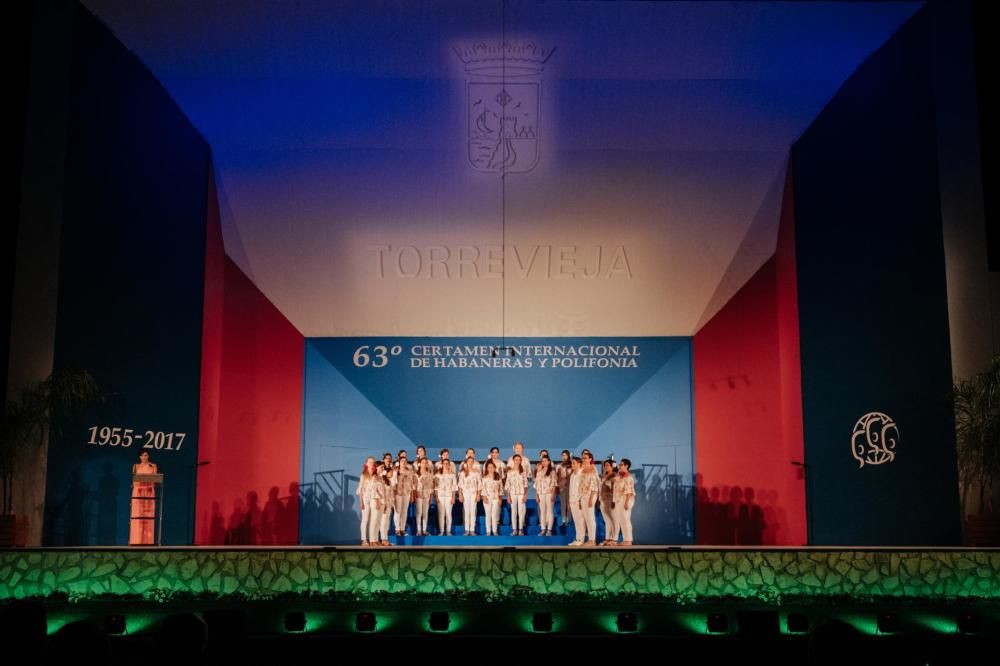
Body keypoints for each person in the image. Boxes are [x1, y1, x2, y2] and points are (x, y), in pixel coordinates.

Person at [129, 451, 158, 545]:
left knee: (148, 515)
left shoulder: (153, 466)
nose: (144, 457)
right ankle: (136, 540)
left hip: (148, 491)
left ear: (148, 456)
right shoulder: (136, 466)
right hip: (138, 491)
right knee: (137, 514)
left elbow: (155, 479)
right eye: (142, 455)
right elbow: (134, 479)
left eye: (146, 455)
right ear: (139, 457)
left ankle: (148, 541)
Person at [610, 458, 636, 546]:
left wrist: (626, 503)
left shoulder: (629, 477)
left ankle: (629, 540)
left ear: (626, 466)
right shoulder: (619, 476)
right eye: (619, 464)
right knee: (621, 520)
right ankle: (625, 539)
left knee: (626, 519)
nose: (619, 466)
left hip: (625, 500)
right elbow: (613, 483)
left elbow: (629, 491)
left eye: (621, 465)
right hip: (618, 501)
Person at [578, 451, 600, 546]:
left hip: (590, 495)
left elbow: (595, 484)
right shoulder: (582, 469)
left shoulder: (592, 468)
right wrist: (579, 498)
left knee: (590, 518)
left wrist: (591, 499)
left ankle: (592, 540)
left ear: (590, 459)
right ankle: (590, 539)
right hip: (582, 495)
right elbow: (579, 485)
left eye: (586, 457)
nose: (584, 459)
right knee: (586, 518)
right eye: (583, 458)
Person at [356, 457, 379, 546]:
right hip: (365, 499)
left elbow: (377, 490)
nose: (371, 464)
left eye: (373, 462)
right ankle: (364, 540)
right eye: (370, 462)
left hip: (374, 498)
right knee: (365, 519)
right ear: (366, 464)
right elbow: (361, 489)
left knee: (373, 519)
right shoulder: (363, 475)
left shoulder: (376, 475)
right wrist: (361, 502)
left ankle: (372, 540)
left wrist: (377, 501)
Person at [505, 454, 529, 536]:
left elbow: (526, 484)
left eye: (519, 460)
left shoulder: (523, 471)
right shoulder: (509, 472)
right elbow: (507, 484)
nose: (517, 461)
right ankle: (514, 530)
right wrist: (508, 496)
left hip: (521, 493)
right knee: (514, 512)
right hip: (512, 493)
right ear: (513, 460)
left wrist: (525, 495)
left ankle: (521, 529)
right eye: (516, 460)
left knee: (521, 512)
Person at [393, 452, 415, 536]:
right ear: (399, 462)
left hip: (406, 493)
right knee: (397, 511)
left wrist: (412, 494)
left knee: (404, 511)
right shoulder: (395, 471)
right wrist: (393, 494)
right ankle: (397, 529)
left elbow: (412, 483)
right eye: (402, 461)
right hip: (397, 493)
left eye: (405, 461)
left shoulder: (409, 471)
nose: (404, 462)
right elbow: (393, 483)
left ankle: (402, 529)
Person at [533, 455, 556, 536]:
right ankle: (543, 529)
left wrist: (553, 494)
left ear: (549, 462)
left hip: (549, 493)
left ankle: (549, 529)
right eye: (542, 461)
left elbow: (554, 484)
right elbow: (536, 484)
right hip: (541, 493)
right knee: (542, 511)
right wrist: (536, 495)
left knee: (549, 511)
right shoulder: (539, 472)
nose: (544, 462)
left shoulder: (552, 472)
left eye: (546, 461)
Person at [458, 457, 481, 535]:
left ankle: (472, 530)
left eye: (472, 461)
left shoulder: (477, 472)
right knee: (466, 511)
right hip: (465, 493)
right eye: (469, 461)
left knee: (472, 511)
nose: (470, 463)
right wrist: (460, 495)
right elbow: (460, 485)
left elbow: (479, 484)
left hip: (474, 493)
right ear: (466, 462)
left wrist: (478, 495)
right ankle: (467, 530)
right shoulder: (462, 472)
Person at [480, 460, 503, 536]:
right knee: (488, 515)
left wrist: (500, 498)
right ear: (486, 468)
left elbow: (501, 488)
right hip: (487, 498)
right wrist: (484, 497)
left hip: (496, 498)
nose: (490, 468)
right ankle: (488, 531)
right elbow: (482, 488)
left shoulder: (498, 477)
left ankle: (495, 531)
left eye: (492, 467)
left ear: (494, 468)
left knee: (494, 515)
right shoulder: (484, 478)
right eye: (489, 467)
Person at [435, 459, 457, 536]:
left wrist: (453, 497)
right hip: (440, 496)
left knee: (448, 514)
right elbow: (436, 487)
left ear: (449, 465)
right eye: (444, 463)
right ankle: (441, 531)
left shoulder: (452, 475)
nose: (446, 465)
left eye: (447, 463)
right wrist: (437, 497)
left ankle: (448, 531)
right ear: (442, 464)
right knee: (441, 514)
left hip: (449, 496)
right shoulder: (437, 475)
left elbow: (454, 487)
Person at [415, 458, 435, 536]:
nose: (424, 464)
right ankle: (419, 530)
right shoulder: (416, 474)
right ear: (420, 464)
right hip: (419, 495)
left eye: (425, 463)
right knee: (419, 513)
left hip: (426, 495)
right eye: (422, 462)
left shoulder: (429, 474)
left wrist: (430, 497)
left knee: (425, 513)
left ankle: (424, 530)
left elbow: (431, 487)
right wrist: (415, 494)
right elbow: (414, 485)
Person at [599, 459, 617, 546]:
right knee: (607, 520)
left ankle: (614, 539)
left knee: (613, 519)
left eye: (607, 465)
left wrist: (613, 501)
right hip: (603, 500)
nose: (605, 467)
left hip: (610, 500)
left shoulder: (614, 476)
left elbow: (615, 490)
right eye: (605, 465)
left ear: (612, 466)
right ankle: (608, 538)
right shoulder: (604, 476)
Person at [567, 457, 584, 546]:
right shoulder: (572, 475)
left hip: (579, 500)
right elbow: (570, 489)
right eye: (572, 463)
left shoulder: (582, 474)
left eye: (574, 463)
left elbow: (582, 488)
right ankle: (577, 538)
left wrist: (581, 500)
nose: (572, 465)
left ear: (579, 464)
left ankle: (581, 539)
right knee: (576, 521)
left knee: (580, 520)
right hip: (573, 500)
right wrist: (569, 501)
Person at [556, 450, 573, 530]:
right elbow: (556, 477)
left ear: (568, 456)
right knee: (563, 503)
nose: (564, 457)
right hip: (562, 487)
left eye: (565, 455)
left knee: (569, 503)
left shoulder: (572, 465)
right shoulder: (559, 466)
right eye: (563, 455)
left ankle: (569, 520)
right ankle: (563, 520)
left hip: (571, 486)